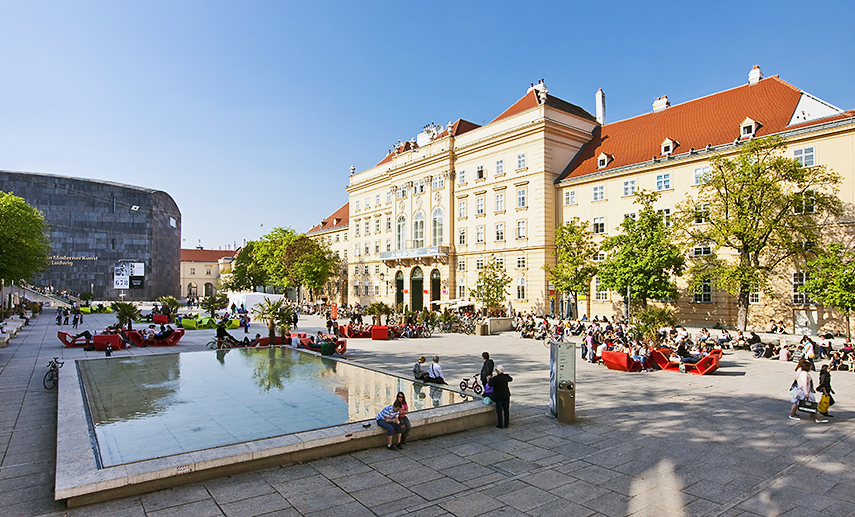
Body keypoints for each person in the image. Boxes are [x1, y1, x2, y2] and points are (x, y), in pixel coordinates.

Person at [789, 359, 828, 423]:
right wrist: (806, 392)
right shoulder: (804, 374)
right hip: (804, 391)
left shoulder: (803, 373)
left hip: (803, 391)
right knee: (810, 405)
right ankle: (817, 418)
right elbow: (804, 383)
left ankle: (794, 414)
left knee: (797, 403)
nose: (811, 367)